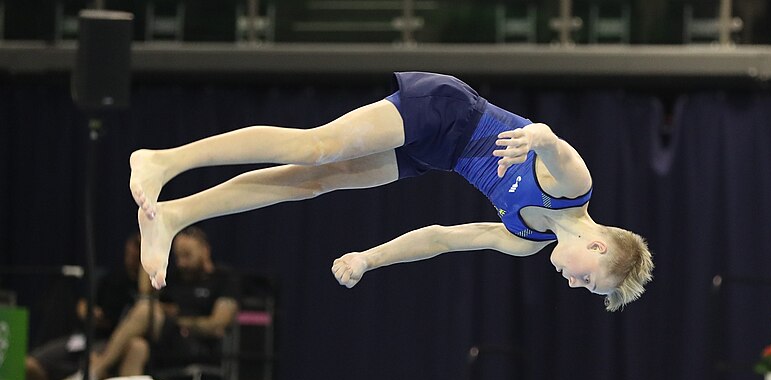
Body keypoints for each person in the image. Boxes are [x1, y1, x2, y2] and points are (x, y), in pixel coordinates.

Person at [130, 72, 653, 311]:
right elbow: (553, 142)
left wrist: (368, 259)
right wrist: (532, 138)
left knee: (313, 182)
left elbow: (442, 239)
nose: (575, 285)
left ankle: (174, 215)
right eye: (590, 282)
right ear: (599, 247)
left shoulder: (525, 239)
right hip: (449, 111)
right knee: (317, 149)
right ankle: (164, 161)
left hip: (438, 154)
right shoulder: (574, 188)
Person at [58, 226, 239, 380]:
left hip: (196, 345)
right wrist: (151, 248)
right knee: (137, 347)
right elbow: (145, 293)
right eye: (178, 256)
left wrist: (175, 318)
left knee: (146, 310)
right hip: (164, 344)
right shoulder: (174, 276)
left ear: (205, 250)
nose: (182, 262)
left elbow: (218, 324)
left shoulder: (223, 278)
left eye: (187, 255)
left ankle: (95, 369)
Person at [25, 232, 144, 380]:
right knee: (29, 365)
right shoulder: (110, 279)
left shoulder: (151, 285)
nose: (133, 256)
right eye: (131, 250)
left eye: (138, 251)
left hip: (109, 345)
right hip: (83, 339)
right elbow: (83, 305)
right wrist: (89, 311)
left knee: (100, 368)